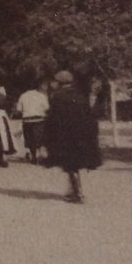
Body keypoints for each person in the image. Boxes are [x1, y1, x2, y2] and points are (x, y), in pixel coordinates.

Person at [44, 70, 102, 203]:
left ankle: (77, 193)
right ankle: (74, 191)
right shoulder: (80, 95)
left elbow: (53, 118)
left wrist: (48, 135)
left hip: (65, 134)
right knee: (73, 164)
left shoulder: (56, 96)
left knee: (70, 165)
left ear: (59, 82)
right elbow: (88, 113)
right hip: (81, 134)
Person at [16, 79, 50, 163]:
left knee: (29, 139)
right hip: (39, 120)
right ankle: (42, 156)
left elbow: (19, 109)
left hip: (27, 120)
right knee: (39, 138)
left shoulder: (23, 96)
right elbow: (47, 107)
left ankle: (33, 156)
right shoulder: (41, 96)